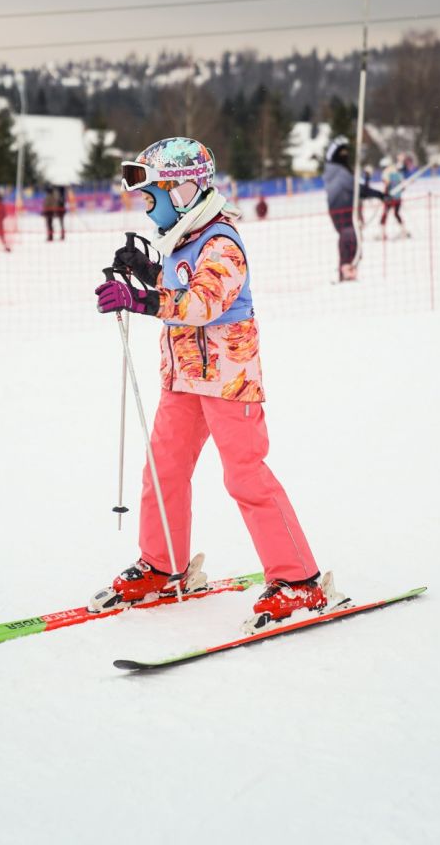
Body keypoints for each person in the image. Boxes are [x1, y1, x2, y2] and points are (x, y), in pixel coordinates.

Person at [92, 136, 342, 631]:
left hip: (229, 381)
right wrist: (148, 273)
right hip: (184, 379)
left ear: (183, 192)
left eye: (152, 198)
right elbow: (180, 287)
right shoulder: (183, 240)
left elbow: (204, 303)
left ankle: (299, 580)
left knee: (244, 475)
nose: (148, 209)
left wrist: (143, 301)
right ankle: (163, 564)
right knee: (162, 469)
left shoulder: (222, 242)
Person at [324, 136, 386, 281]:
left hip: (345, 209)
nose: (345, 155)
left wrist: (378, 194)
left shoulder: (339, 171)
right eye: (342, 152)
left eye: (346, 151)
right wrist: (380, 195)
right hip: (341, 209)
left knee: (352, 237)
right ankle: (346, 270)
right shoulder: (337, 171)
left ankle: (349, 268)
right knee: (350, 237)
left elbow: (358, 188)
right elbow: (357, 189)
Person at [380, 162, 409, 237]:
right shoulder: (399, 175)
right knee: (396, 214)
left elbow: (387, 186)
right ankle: (404, 231)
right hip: (397, 199)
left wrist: (385, 196)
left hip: (390, 199)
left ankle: (383, 233)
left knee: (385, 215)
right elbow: (403, 188)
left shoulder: (388, 175)